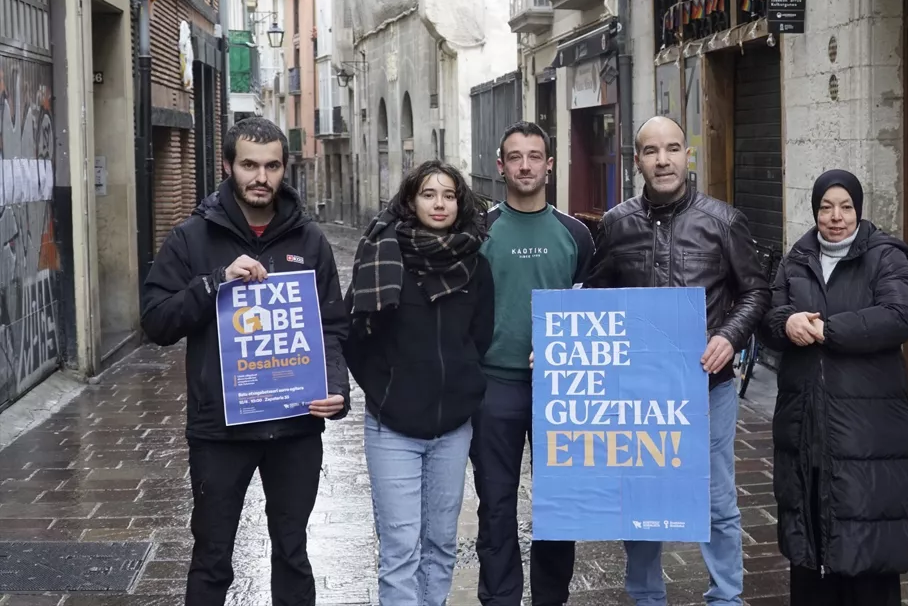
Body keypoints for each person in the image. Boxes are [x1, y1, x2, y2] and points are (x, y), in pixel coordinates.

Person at [140, 116, 350, 606]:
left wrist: (335, 389)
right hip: (220, 432)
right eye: (250, 165)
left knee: (293, 553)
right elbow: (156, 322)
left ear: (284, 168)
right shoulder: (193, 238)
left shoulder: (310, 240)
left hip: (295, 429)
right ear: (229, 166)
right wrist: (215, 282)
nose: (262, 177)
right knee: (212, 559)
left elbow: (332, 327)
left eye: (272, 166)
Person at [583, 115, 769, 606]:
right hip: (639, 392)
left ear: (689, 154)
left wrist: (729, 336)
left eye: (672, 149)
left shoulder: (723, 220)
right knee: (641, 496)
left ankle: (726, 597)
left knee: (716, 500)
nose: (662, 160)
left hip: (708, 387)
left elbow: (756, 292)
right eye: (650, 150)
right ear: (637, 160)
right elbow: (595, 299)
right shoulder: (617, 224)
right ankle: (647, 596)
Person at [758, 169, 908, 604]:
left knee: (867, 531)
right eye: (826, 207)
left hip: (868, 426)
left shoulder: (885, 256)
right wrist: (787, 322)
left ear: (859, 210)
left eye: (845, 206)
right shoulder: (798, 259)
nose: (836, 217)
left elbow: (899, 315)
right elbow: (770, 318)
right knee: (810, 532)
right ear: (815, 211)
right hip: (805, 422)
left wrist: (830, 330)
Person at [343, 160, 494, 606]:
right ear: (411, 201)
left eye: (448, 195)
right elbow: (355, 336)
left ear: (460, 202)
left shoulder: (475, 266)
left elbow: (479, 337)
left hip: (452, 429)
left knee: (442, 545)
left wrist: (464, 384)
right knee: (400, 550)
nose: (440, 203)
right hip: (393, 429)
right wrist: (385, 389)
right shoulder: (383, 257)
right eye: (429, 194)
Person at [470, 121, 594, 606]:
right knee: (495, 504)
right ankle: (499, 598)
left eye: (534, 156)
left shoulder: (577, 235)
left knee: (558, 505)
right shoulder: (480, 229)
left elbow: (590, 310)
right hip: (493, 387)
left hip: (560, 390)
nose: (525, 165)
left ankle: (550, 597)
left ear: (549, 164)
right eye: (515, 156)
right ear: (501, 166)